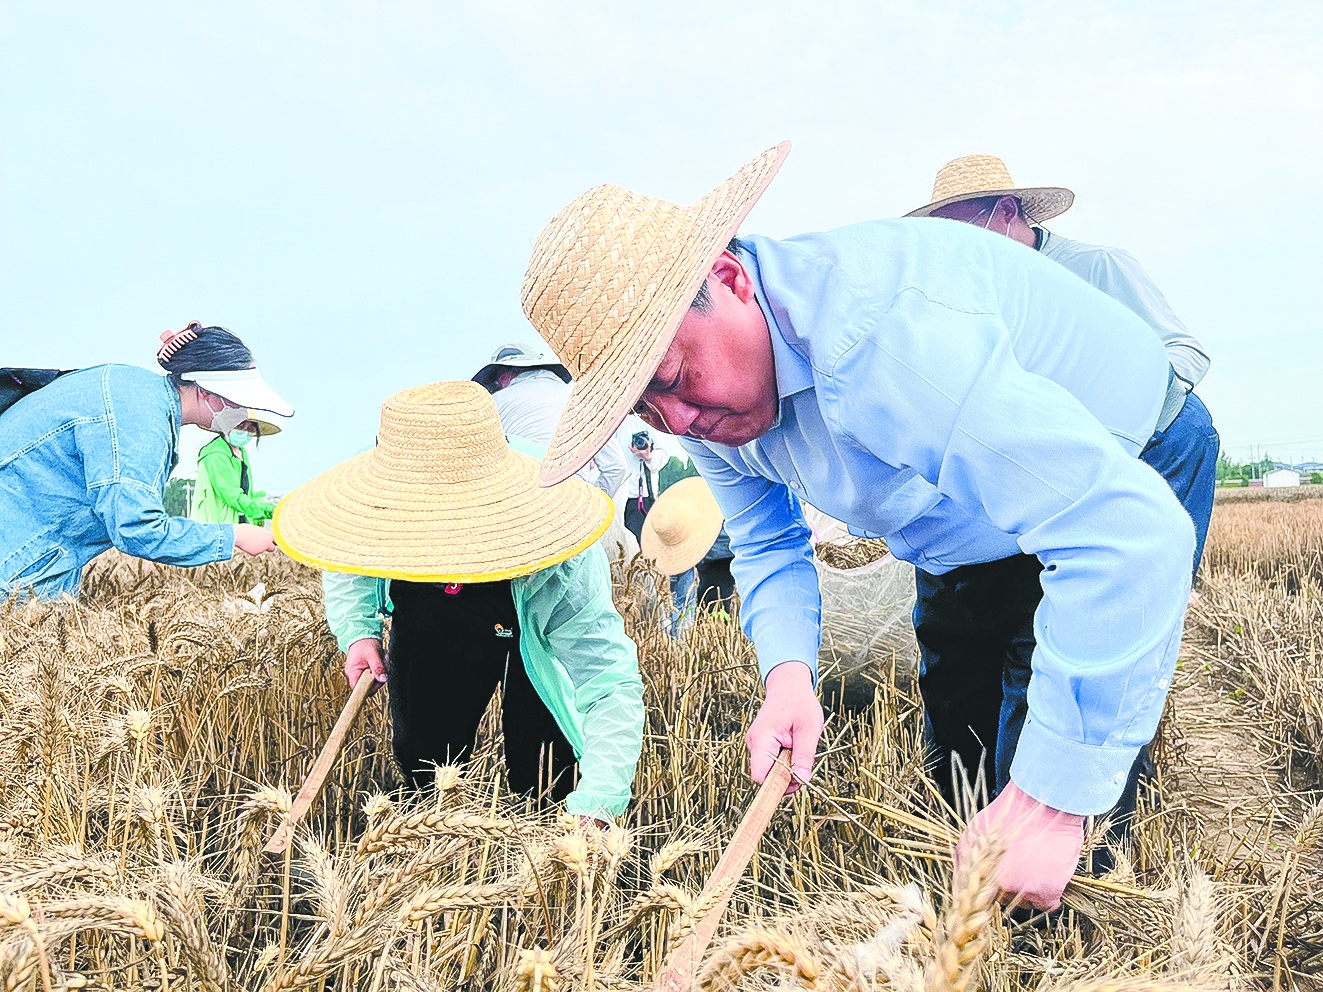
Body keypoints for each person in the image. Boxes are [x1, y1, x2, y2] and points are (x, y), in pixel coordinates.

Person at [520, 142, 1195, 910]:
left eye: (673, 379)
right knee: (960, 742)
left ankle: (1070, 909)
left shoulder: (880, 336)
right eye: (644, 410)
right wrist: (787, 678)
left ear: (732, 280)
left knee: (1052, 771)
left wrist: (1049, 799)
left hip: (1132, 452)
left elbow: (1127, 534)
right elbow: (770, 544)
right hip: (960, 522)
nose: (679, 421)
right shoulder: (712, 420)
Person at [273, 380, 644, 824]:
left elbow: (606, 679)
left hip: (523, 612)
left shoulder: (554, 538)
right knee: (424, 761)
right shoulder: (380, 503)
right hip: (428, 614)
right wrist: (358, 633)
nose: (444, 542)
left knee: (545, 767)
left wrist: (599, 803)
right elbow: (348, 555)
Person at [907, 154, 1218, 573]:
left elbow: (1185, 352)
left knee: (1141, 583)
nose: (956, 247)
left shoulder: (1097, 266)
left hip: (1158, 445)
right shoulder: (977, 290)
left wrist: (1119, 415)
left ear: (1005, 212)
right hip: (1055, 459)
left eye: (962, 230)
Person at [0, 322, 293, 600]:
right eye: (239, 403)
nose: (242, 414)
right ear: (208, 392)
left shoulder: (130, 386)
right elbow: (136, 528)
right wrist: (233, 536)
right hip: (15, 564)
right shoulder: (139, 422)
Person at [473, 343, 628, 499]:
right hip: (573, 496)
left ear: (505, 377)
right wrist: (592, 505)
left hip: (519, 500)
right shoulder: (580, 399)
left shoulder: (493, 403)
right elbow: (616, 467)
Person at [641, 476, 735, 626]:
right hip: (712, 545)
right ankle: (691, 636)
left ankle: (693, 635)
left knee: (699, 607)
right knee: (699, 607)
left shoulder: (718, 530)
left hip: (719, 550)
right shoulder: (674, 521)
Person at [192, 417, 282, 525]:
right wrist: (269, 510)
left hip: (236, 522)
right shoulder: (216, 455)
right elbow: (233, 496)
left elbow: (248, 495)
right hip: (216, 526)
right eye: (240, 426)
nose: (244, 431)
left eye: (250, 428)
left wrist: (268, 499)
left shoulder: (241, 452)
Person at [620, 424, 668, 544]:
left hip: (641, 497)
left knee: (645, 544)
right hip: (615, 496)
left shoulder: (644, 420)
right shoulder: (607, 423)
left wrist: (648, 457)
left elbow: (663, 455)